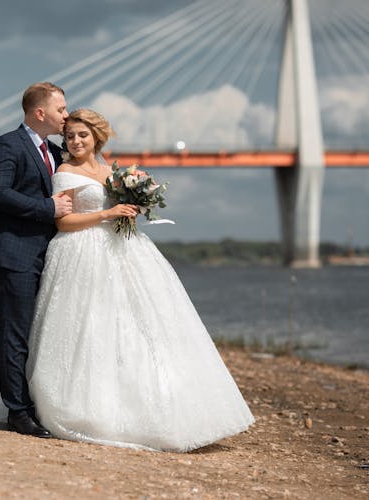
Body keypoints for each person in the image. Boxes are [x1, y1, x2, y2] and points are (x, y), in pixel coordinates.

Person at [23, 108, 255, 451]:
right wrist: (107, 213)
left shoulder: (110, 170)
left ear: (96, 136)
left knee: (137, 324)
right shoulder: (65, 172)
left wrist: (135, 206)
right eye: (69, 136)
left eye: (82, 135)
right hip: (80, 252)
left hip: (123, 249)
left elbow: (121, 207)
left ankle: (160, 404)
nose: (74, 142)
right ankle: (90, 407)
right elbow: (63, 222)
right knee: (89, 326)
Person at [0, 82, 72, 438]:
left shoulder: (59, 154)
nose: (67, 115)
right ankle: (18, 411)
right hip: (14, 251)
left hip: (52, 253)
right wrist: (48, 207)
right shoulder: (6, 144)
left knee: (43, 331)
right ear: (39, 113)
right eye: (61, 109)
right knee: (16, 333)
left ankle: (40, 403)